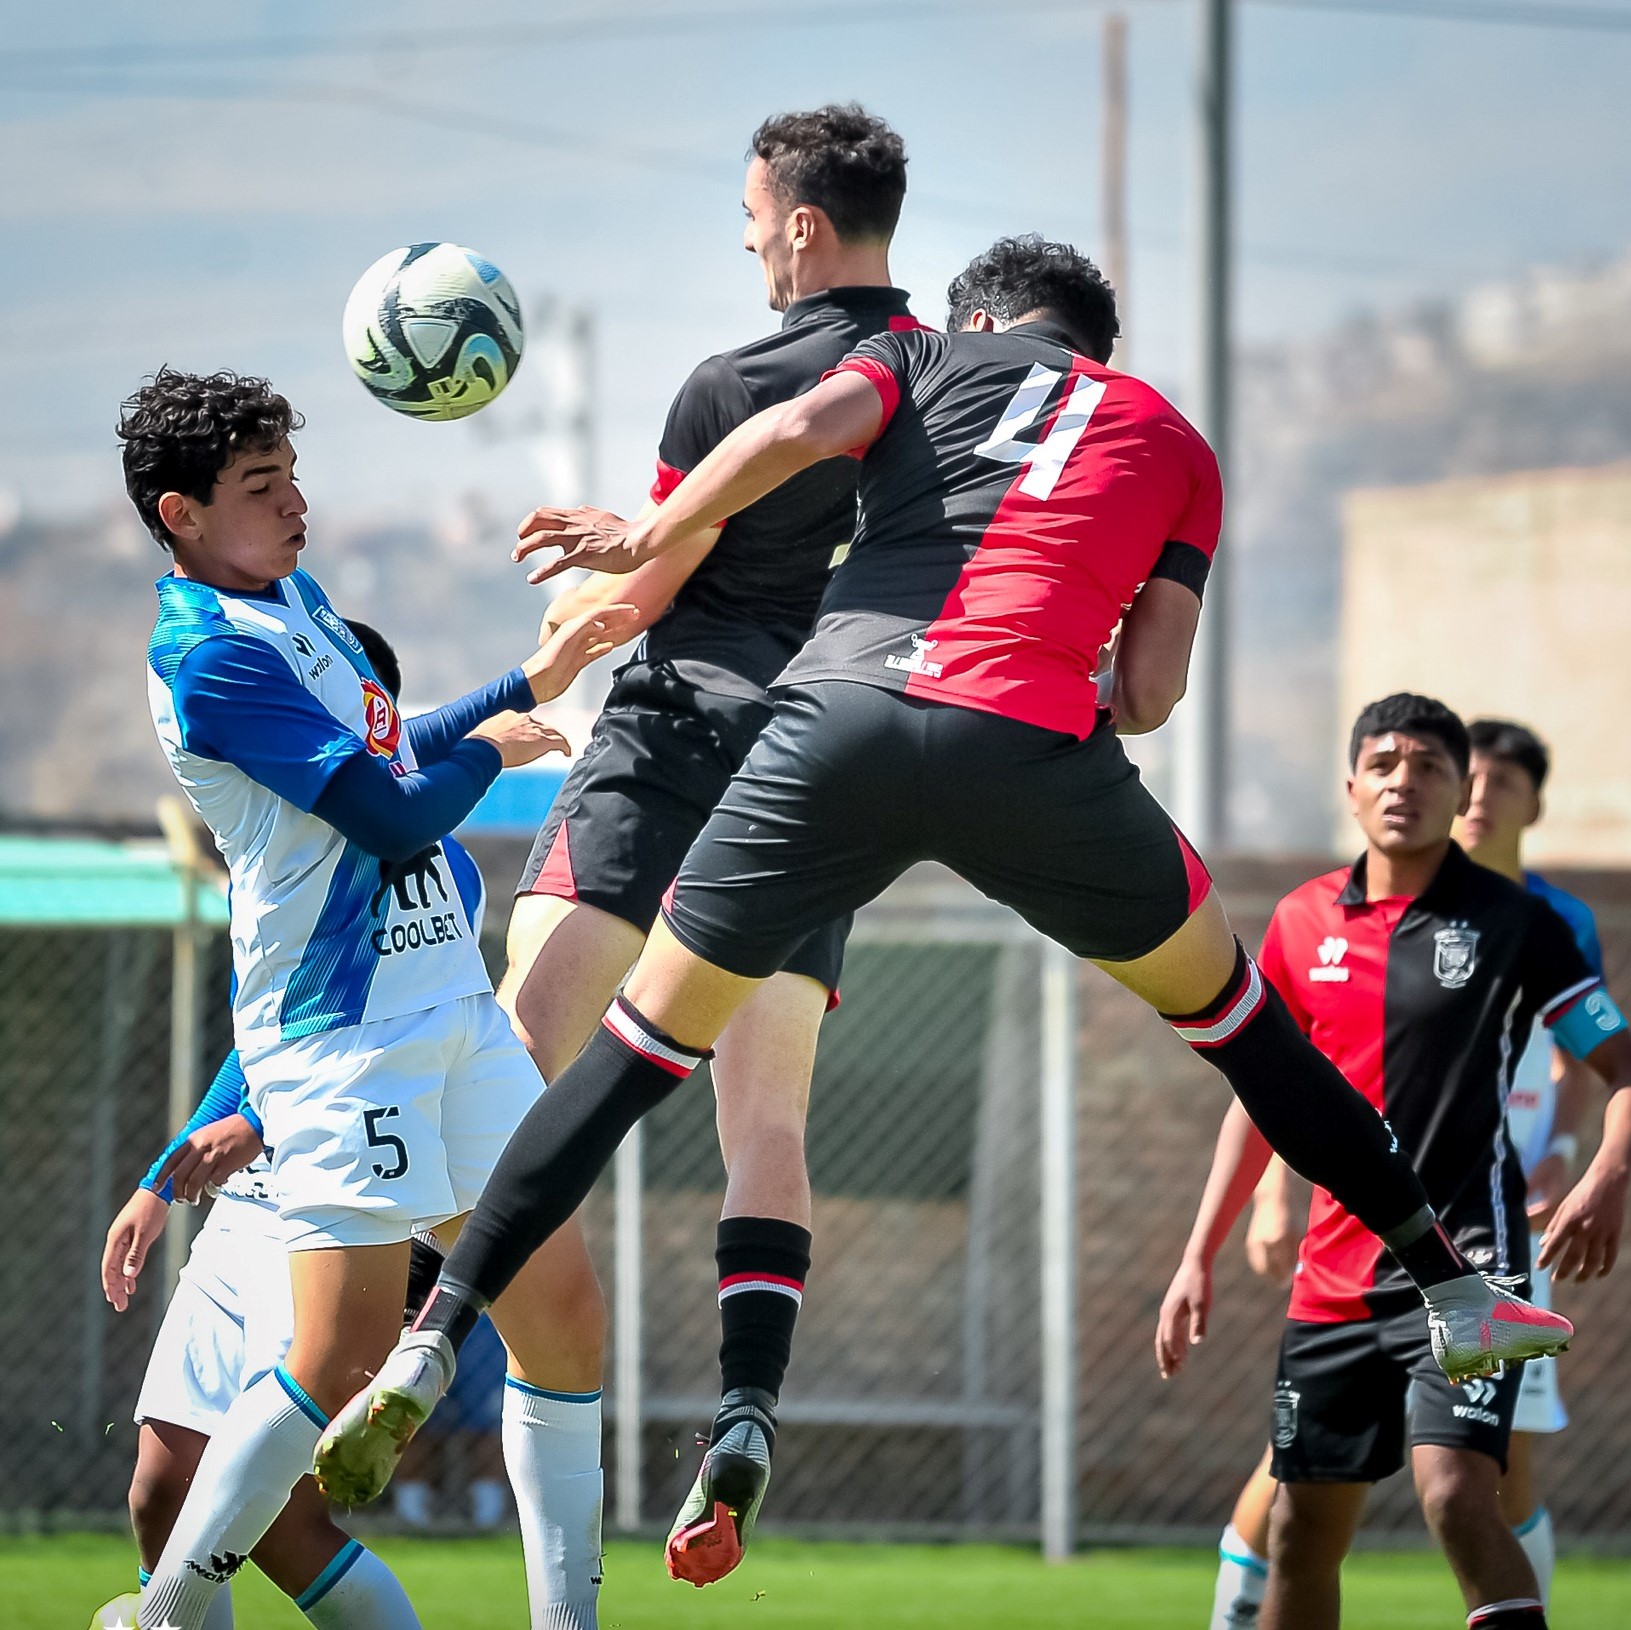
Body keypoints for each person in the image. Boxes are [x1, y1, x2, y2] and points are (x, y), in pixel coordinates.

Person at [321, 238, 1576, 1588]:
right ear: (1096, 342)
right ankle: (1450, 1288)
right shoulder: (1175, 441)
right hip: (1030, 748)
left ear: (978, 315)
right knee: (1248, 1033)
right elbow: (1148, 691)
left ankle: (432, 1332)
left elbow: (799, 428)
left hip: (830, 729)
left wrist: (648, 533)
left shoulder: (918, 354)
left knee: (627, 1058)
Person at [471, 103, 915, 1583]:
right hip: (812, 775)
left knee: (510, 1061)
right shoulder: (942, 388)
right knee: (764, 1125)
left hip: (665, 747)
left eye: (749, 219)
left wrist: (540, 661)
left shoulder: (735, 381)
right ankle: (741, 1407)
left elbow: (642, 593)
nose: (744, 241)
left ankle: (406, 1346)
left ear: (797, 223)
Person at [118, 367, 634, 1630]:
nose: (296, 502)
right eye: (259, 486)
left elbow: (397, 751)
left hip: (451, 1016)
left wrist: (528, 680)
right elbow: (397, 808)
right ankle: (174, 1610)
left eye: (293, 473)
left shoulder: (296, 597)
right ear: (180, 514)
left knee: (562, 1314)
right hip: (341, 1042)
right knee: (341, 1358)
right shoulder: (204, 658)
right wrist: (500, 726)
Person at [1155, 694, 1631, 1630]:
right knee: (1299, 1530)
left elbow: (1620, 1067)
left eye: (1427, 768)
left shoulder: (1517, 923)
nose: (1401, 783)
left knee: (1456, 1494)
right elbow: (1261, 1101)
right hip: (1329, 1279)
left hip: (1467, 1266)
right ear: (1350, 786)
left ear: (1461, 797)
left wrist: (1606, 1173)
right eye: (1383, 765)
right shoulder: (1298, 922)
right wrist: (1196, 1253)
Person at [93, 622, 489, 1630]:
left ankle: (159, 1622)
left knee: (274, 1518)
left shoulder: (433, 865)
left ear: (378, 723)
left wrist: (266, 1123)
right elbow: (260, 1036)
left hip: (339, 1196)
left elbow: (392, 1038)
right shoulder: (273, 851)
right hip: (245, 1212)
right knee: (159, 1487)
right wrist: (158, 1174)